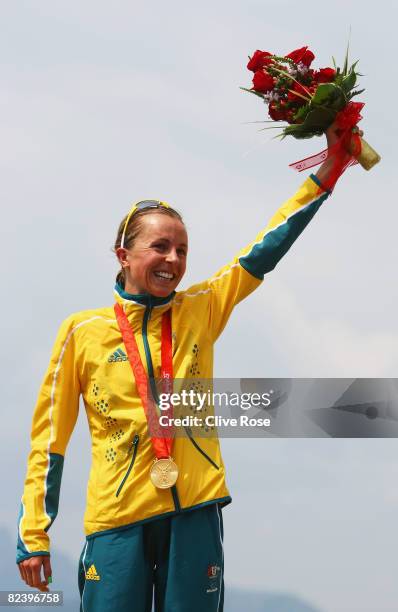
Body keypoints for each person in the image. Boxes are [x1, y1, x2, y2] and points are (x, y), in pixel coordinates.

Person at [16, 125, 358, 611]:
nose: (173, 261)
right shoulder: (82, 332)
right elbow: (48, 442)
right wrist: (34, 532)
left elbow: (267, 246)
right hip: (117, 520)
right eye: (159, 247)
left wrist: (330, 170)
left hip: (193, 510)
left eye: (181, 251)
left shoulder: (202, 306)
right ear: (124, 255)